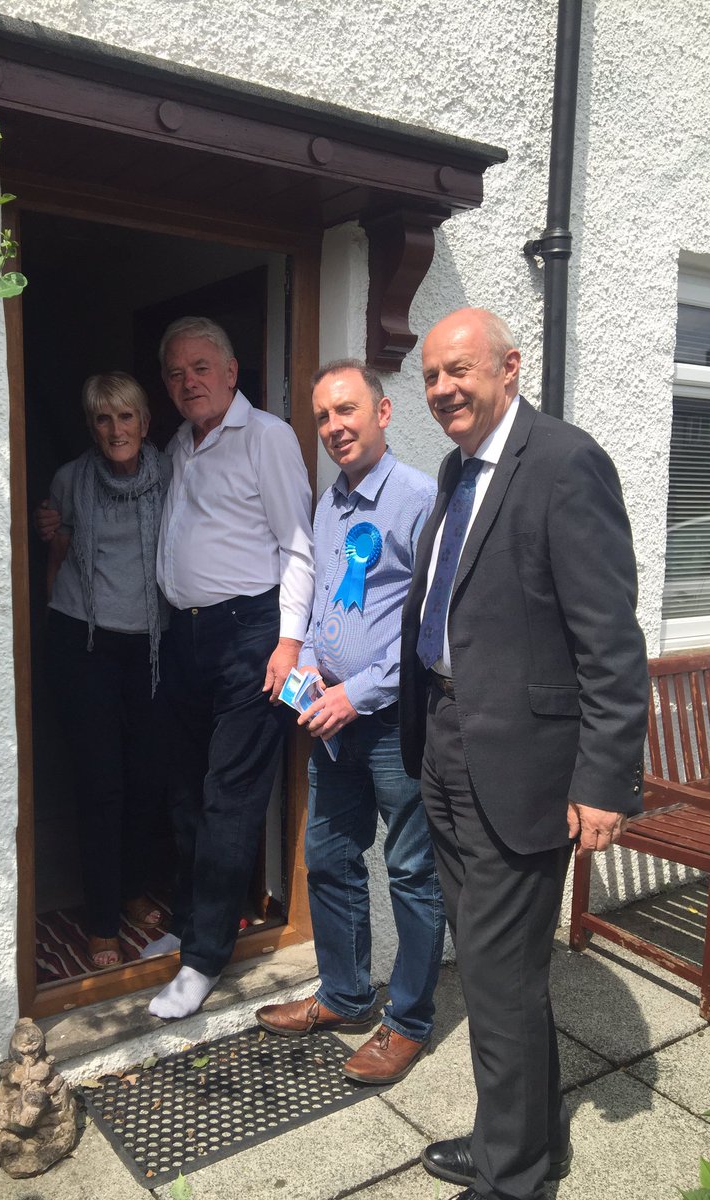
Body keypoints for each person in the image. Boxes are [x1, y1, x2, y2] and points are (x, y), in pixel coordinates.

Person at [399, 308, 649, 1200]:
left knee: (499, 977)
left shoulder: (565, 463)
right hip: (447, 742)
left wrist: (604, 778)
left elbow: (610, 640)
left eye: (458, 371)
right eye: (431, 376)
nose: (442, 390)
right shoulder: (458, 469)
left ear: (510, 367)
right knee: (497, 971)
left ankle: (512, 1181)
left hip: (521, 764)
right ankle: (526, 1139)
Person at [255, 360, 444, 1085]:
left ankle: (409, 1022)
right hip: (330, 721)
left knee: (411, 871)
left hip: (395, 725)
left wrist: (357, 692)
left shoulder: (420, 499)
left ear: (383, 413)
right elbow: (328, 601)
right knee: (329, 857)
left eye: (347, 410)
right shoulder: (330, 503)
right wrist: (302, 658)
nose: (334, 427)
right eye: (323, 417)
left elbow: (432, 629)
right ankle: (344, 995)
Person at [142, 316, 315, 1021]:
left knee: (229, 797)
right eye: (176, 372)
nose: (189, 382)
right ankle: (188, 923)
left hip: (251, 636)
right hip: (185, 638)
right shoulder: (178, 446)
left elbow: (298, 544)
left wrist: (289, 642)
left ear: (232, 372)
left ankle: (205, 958)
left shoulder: (266, 437)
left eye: (201, 367)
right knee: (184, 791)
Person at [45, 372, 172, 969]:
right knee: (101, 783)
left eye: (126, 417)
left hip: (154, 643)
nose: (116, 429)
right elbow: (58, 552)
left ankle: (132, 887)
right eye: (103, 418)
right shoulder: (69, 480)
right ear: (91, 427)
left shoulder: (172, 473)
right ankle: (100, 919)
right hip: (85, 639)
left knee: (147, 777)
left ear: (144, 423)